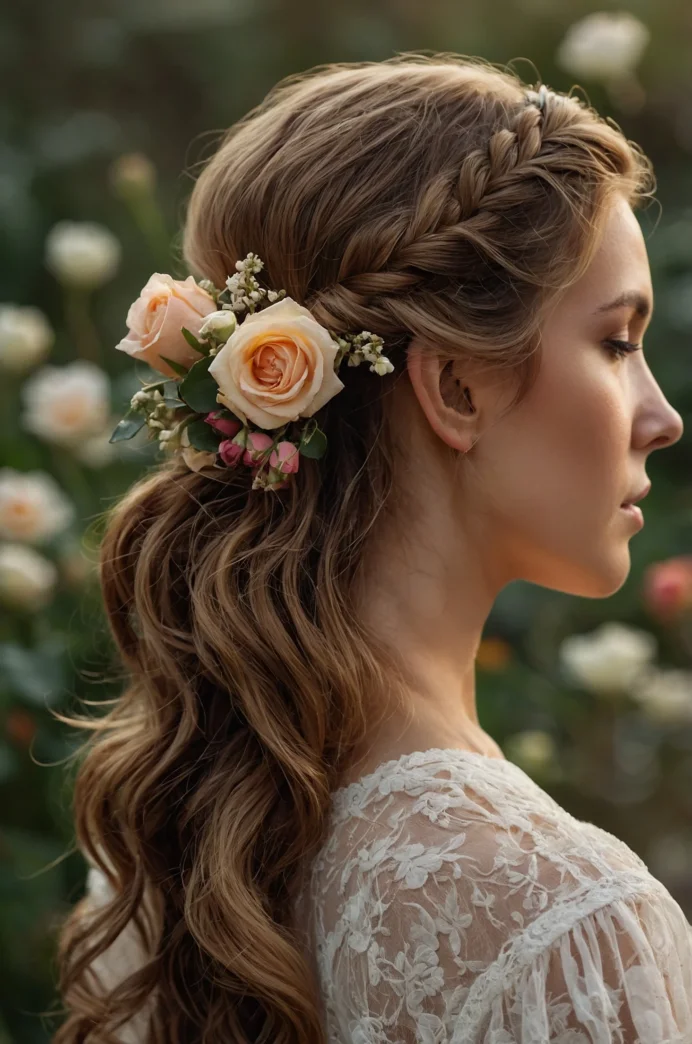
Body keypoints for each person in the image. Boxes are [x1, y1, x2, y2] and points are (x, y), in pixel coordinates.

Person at [54, 54, 691, 1043]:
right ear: (455, 391)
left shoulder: (156, 862)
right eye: (614, 342)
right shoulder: (564, 917)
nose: (661, 416)